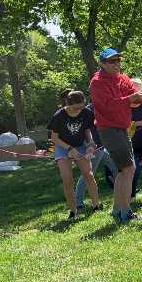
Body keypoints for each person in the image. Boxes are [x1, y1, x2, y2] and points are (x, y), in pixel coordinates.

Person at [89, 48, 142, 223]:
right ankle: (126, 213)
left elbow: (134, 97)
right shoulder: (97, 82)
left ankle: (117, 210)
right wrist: (131, 98)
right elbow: (108, 106)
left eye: (118, 61)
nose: (116, 64)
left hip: (122, 128)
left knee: (125, 171)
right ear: (102, 64)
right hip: (109, 129)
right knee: (128, 169)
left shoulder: (123, 78)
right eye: (111, 61)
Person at [48, 90, 102, 219]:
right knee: (67, 179)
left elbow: (87, 130)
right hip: (63, 146)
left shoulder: (86, 112)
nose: (79, 110)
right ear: (68, 104)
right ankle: (73, 212)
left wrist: (90, 143)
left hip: (80, 145)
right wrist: (70, 149)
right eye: (76, 108)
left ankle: (96, 206)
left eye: (81, 107)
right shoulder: (59, 116)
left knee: (89, 175)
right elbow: (54, 138)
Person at [75, 103, 118, 209]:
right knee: (88, 174)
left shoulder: (104, 107)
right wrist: (90, 145)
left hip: (101, 147)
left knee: (116, 167)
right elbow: (86, 130)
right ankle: (78, 203)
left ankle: (123, 193)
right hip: (94, 148)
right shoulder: (89, 111)